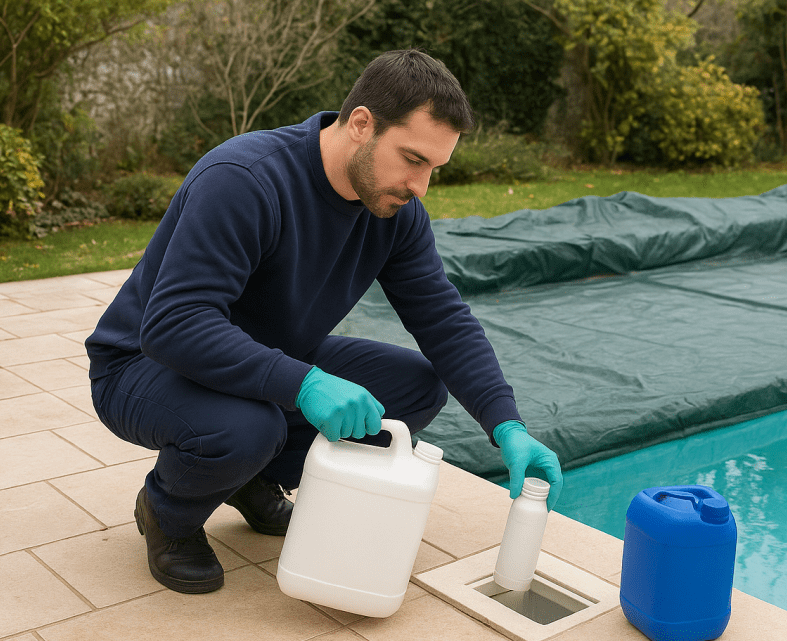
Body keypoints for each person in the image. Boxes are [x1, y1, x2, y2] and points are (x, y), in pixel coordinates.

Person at [85, 49, 563, 595]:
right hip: (142, 366)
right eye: (412, 158)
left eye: (434, 167)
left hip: (259, 357)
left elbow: (444, 320)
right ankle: (167, 512)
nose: (420, 185)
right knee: (248, 428)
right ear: (361, 123)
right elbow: (174, 324)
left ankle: (251, 478)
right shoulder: (244, 179)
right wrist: (305, 382)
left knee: (414, 388)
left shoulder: (395, 214)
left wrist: (507, 426)